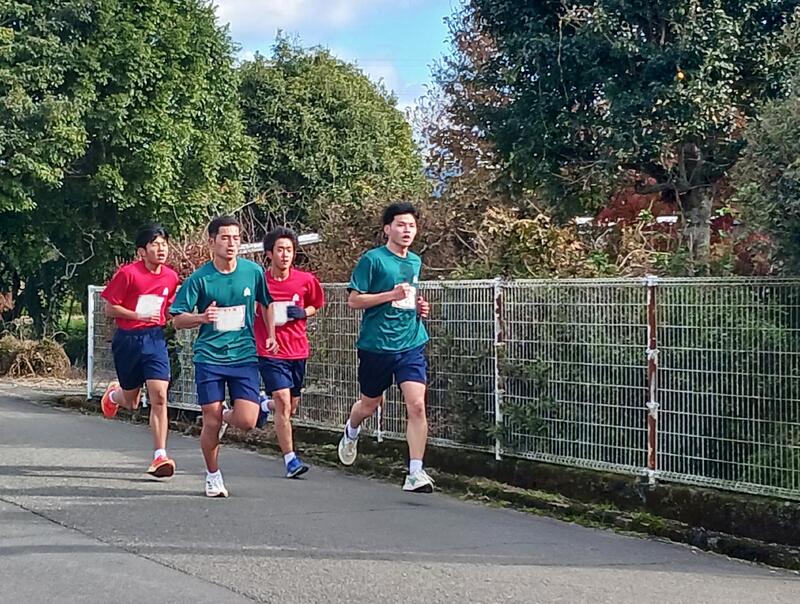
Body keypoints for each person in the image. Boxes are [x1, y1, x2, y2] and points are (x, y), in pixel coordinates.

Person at [170, 216, 277, 498]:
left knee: (248, 421)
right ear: (212, 241)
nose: (231, 244)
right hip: (210, 357)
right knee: (211, 421)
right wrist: (202, 317)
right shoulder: (200, 278)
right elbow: (177, 320)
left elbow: (266, 303)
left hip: (244, 356)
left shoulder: (253, 272)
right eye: (225, 238)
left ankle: (230, 413)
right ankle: (213, 475)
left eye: (236, 238)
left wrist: (271, 334)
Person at [337, 202, 433, 493]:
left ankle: (415, 472)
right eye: (401, 225)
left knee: (417, 405)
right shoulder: (373, 260)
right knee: (369, 404)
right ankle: (351, 430)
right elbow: (354, 300)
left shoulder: (415, 262)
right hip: (377, 345)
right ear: (387, 229)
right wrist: (389, 295)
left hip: (411, 342)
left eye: (411, 226)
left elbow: (408, 297)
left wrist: (419, 307)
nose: (407, 230)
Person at [100, 224, 180, 478]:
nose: (161, 249)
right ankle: (114, 396)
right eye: (155, 245)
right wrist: (137, 315)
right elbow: (109, 308)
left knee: (159, 396)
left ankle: (160, 455)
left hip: (154, 339)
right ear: (141, 252)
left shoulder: (171, 277)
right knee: (132, 402)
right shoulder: (128, 274)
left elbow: (168, 306)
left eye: (164, 244)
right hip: (128, 340)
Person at [254, 227, 325, 478]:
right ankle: (290, 459)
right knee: (284, 402)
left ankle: (264, 405)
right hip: (270, 351)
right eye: (280, 250)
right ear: (269, 253)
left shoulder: (305, 280)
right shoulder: (260, 282)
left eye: (289, 250)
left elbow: (316, 304)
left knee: (290, 407)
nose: (285, 255)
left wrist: (303, 312)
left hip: (297, 350)